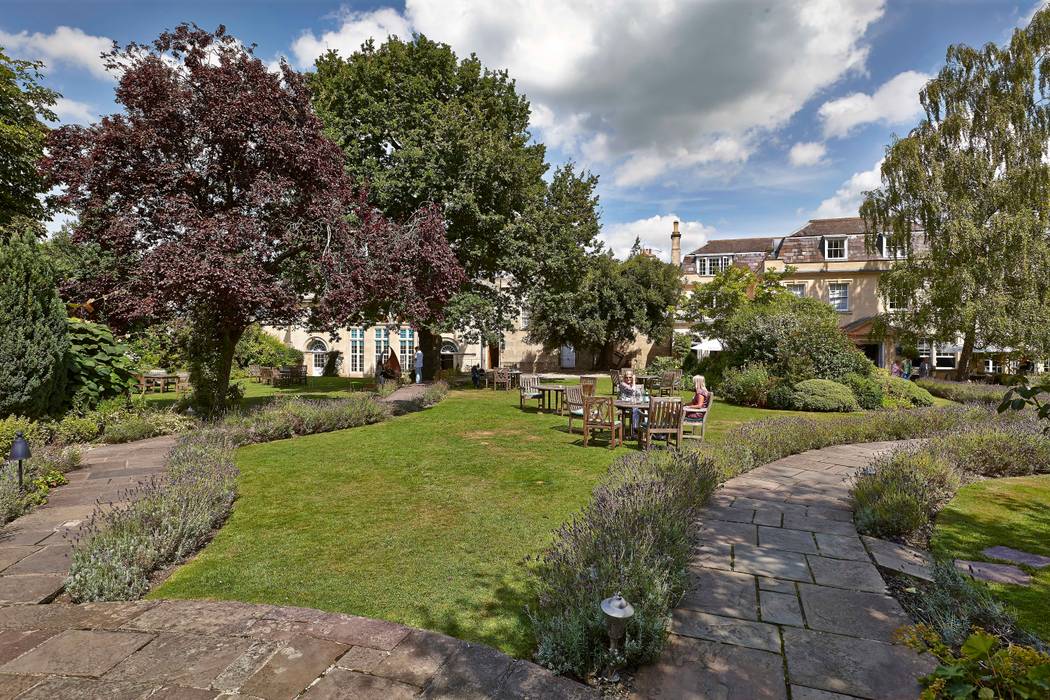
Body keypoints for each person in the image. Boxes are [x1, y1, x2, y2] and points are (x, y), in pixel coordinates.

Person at [618, 372, 646, 438]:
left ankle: (647, 428)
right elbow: (632, 391)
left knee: (645, 410)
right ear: (624, 378)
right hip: (624, 406)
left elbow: (639, 395)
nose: (628, 379)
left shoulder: (632, 385)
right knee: (636, 410)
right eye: (626, 377)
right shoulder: (622, 384)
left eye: (630, 377)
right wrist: (633, 381)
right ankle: (635, 430)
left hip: (633, 404)